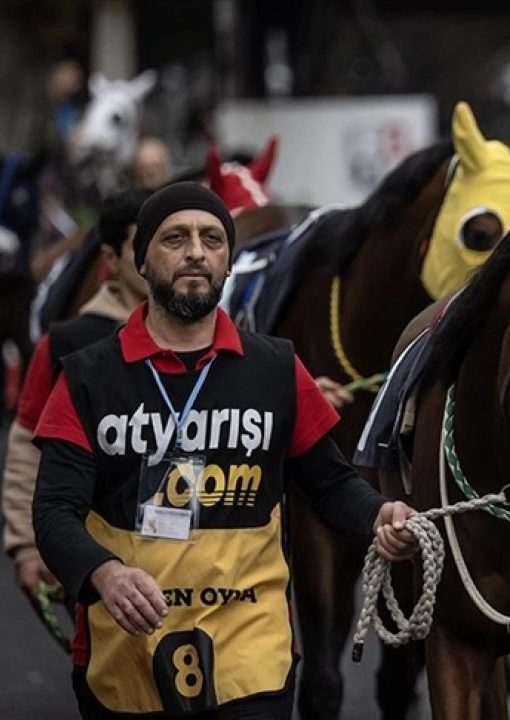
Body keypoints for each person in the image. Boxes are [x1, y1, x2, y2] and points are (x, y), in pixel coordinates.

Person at [31, 183, 419, 719]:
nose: (196, 250)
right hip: (125, 650)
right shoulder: (87, 376)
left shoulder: (278, 368)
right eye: (176, 238)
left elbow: (330, 484)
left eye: (212, 238)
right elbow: (53, 512)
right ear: (140, 260)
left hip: (251, 652)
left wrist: (380, 514)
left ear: (228, 261)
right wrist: (104, 573)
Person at [3, 188, 152, 617]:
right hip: (98, 566)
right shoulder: (67, 344)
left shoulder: (228, 345)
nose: (169, 256)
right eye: (147, 243)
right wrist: (27, 547)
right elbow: (28, 442)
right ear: (111, 257)